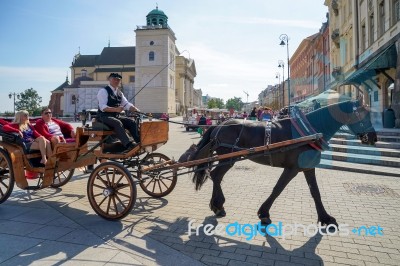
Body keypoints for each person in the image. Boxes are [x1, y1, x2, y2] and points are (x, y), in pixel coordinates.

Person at [97, 73, 140, 151]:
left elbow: (126, 103)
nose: (116, 81)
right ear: (109, 79)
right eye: (114, 79)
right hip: (103, 116)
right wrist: (116, 109)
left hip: (115, 116)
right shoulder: (103, 91)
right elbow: (102, 107)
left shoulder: (120, 93)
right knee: (117, 122)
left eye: (118, 80)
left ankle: (139, 141)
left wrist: (133, 108)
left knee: (131, 122)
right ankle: (128, 144)